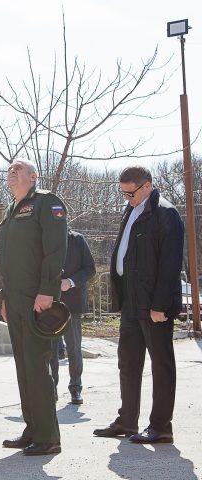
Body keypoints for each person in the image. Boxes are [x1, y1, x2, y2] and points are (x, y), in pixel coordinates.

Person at [94, 166, 183, 444]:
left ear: (147, 186)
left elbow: (170, 265)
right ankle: (127, 420)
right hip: (132, 302)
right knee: (128, 362)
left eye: (130, 193)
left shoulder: (165, 213)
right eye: (123, 193)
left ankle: (161, 426)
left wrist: (160, 305)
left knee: (161, 365)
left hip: (154, 304)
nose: (126, 198)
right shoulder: (131, 210)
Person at [0, 159, 67, 456]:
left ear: (34, 176)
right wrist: (4, 297)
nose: (12, 171)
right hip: (14, 300)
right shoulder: (10, 210)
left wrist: (47, 291)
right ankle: (32, 429)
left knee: (37, 366)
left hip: (37, 299)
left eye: (18, 168)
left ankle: (48, 437)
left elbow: (55, 249)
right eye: (9, 169)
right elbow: (8, 259)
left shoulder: (46, 203)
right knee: (24, 368)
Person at [50, 229, 95, 405]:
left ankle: (76, 388)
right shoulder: (44, 237)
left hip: (73, 303)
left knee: (74, 347)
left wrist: (71, 282)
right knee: (51, 350)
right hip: (50, 303)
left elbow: (90, 269)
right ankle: (51, 388)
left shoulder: (77, 240)